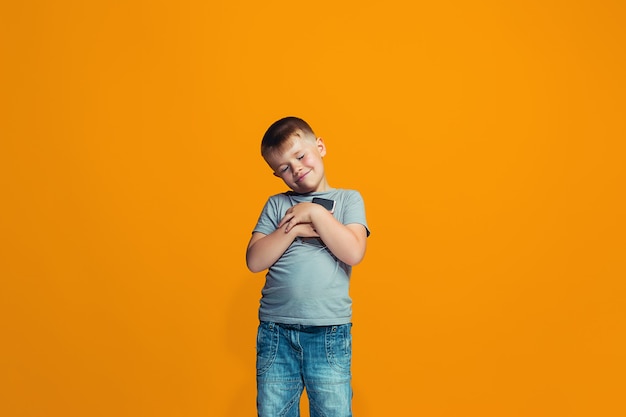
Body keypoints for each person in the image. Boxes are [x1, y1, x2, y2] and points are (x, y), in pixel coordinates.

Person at [246, 116, 370, 417]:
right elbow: (254, 260)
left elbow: (353, 251)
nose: (297, 169)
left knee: (333, 412)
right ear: (277, 175)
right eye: (284, 168)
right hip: (276, 331)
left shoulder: (347, 200)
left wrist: (314, 213)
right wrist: (294, 229)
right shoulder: (276, 205)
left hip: (328, 331)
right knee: (275, 411)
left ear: (320, 146)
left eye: (300, 156)